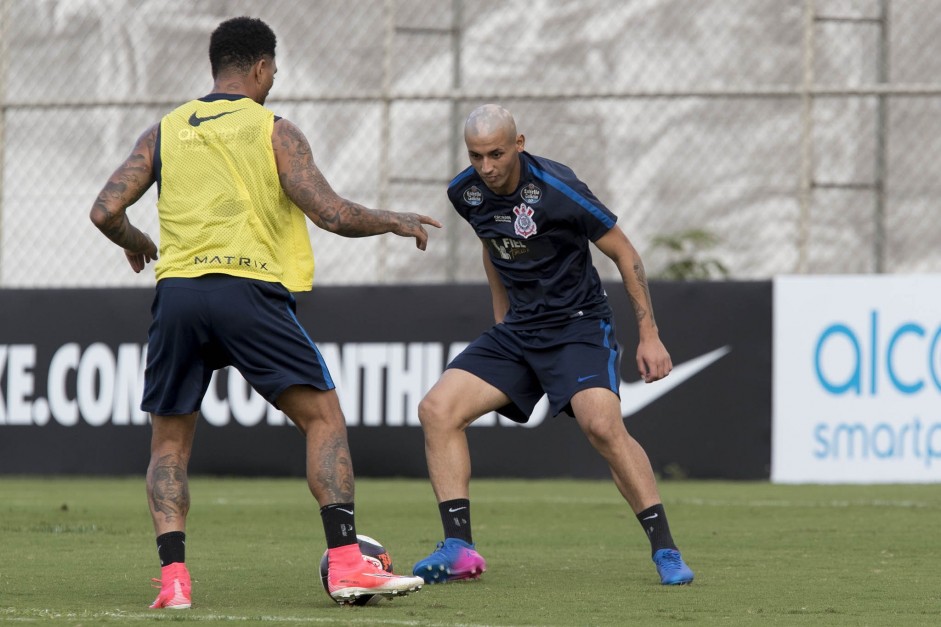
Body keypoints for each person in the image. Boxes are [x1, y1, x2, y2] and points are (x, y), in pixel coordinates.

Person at [89, 16, 438, 608]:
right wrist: (393, 220)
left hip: (177, 295)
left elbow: (103, 210)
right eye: (273, 69)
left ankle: (174, 581)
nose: (274, 79)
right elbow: (328, 212)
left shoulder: (164, 131)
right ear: (259, 67)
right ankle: (349, 561)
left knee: (168, 447)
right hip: (246, 291)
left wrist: (136, 241)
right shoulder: (274, 129)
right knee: (323, 417)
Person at [411, 104, 694, 586]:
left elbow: (624, 252)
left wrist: (650, 334)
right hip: (520, 330)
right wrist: (501, 321)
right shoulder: (466, 192)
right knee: (437, 410)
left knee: (602, 426)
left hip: (577, 327)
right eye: (476, 156)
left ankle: (666, 550)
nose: (487, 167)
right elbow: (491, 244)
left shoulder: (560, 189)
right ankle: (459, 549)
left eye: (497, 153)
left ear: (519, 144)